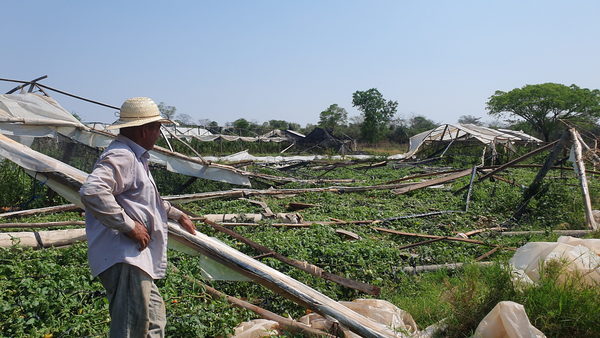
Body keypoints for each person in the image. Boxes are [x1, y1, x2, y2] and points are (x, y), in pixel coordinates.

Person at [80, 97, 196, 337]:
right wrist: (129, 226)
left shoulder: (136, 157)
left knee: (153, 320)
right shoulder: (122, 156)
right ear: (146, 129)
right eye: (158, 128)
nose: (158, 134)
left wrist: (176, 214)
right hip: (125, 257)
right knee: (131, 327)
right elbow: (93, 191)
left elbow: (144, 200)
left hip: (134, 259)